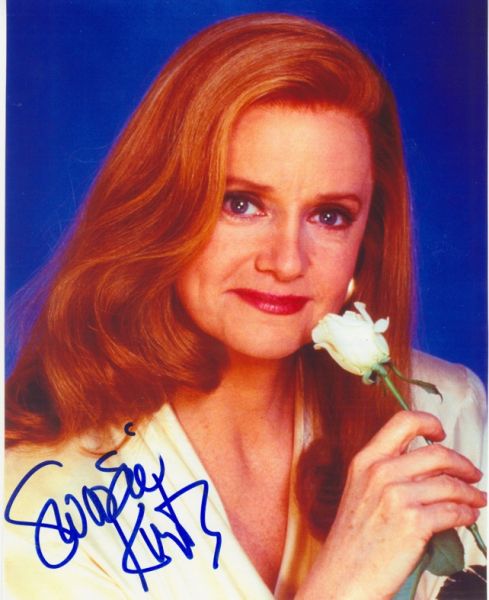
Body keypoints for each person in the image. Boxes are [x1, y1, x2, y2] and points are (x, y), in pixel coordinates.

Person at [4, 13, 486, 600]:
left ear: (368, 239)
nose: (286, 262)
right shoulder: (35, 495)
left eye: (329, 215)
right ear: (163, 209)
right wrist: (344, 585)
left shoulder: (448, 413)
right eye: (241, 204)